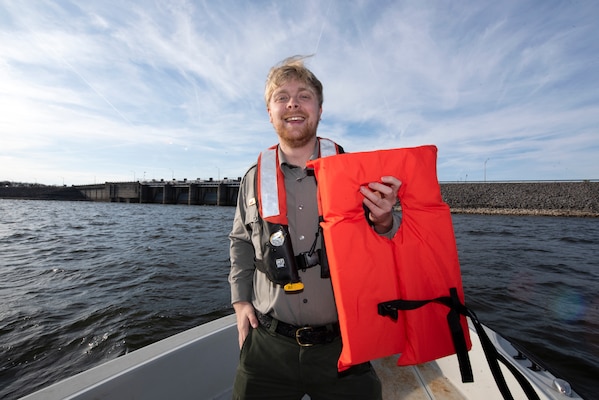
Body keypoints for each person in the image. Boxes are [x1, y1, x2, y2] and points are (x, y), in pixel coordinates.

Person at [228, 55, 401, 400]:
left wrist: (384, 220)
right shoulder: (251, 180)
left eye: (304, 95)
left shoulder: (356, 173)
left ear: (320, 109)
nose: (293, 103)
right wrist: (240, 302)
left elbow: (387, 243)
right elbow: (240, 242)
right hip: (268, 347)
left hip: (343, 347)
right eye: (282, 97)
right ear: (270, 112)